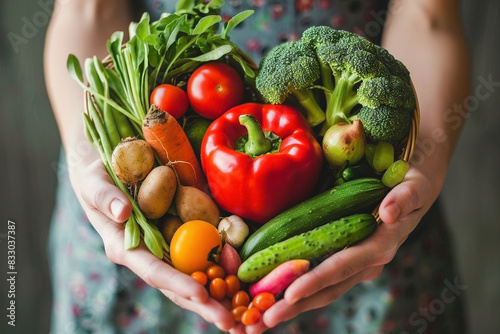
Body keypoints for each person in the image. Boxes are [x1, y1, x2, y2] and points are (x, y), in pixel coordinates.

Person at [44, 0, 470, 333]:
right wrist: (87, 155)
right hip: (136, 255)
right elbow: (85, 11)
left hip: (373, 250)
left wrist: (424, 160)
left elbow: (428, 19)